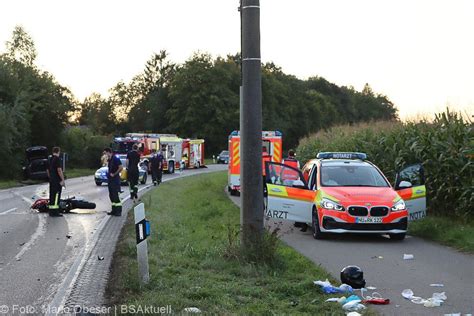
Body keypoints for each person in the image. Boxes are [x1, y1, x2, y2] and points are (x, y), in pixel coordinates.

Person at [104, 148, 123, 216]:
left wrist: (114, 174)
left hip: (115, 180)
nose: (105, 155)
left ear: (109, 152)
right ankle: (114, 210)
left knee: (115, 196)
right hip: (110, 180)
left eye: (105, 153)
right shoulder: (110, 160)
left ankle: (118, 211)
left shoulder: (115, 159)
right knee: (111, 195)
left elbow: (121, 167)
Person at [47, 147, 65, 217]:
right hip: (57, 181)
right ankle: (55, 212)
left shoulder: (49, 159)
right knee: (57, 196)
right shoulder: (57, 159)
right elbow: (59, 170)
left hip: (51, 180)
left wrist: (51, 177)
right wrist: (63, 180)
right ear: (58, 152)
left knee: (52, 195)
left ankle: (51, 211)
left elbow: (48, 171)